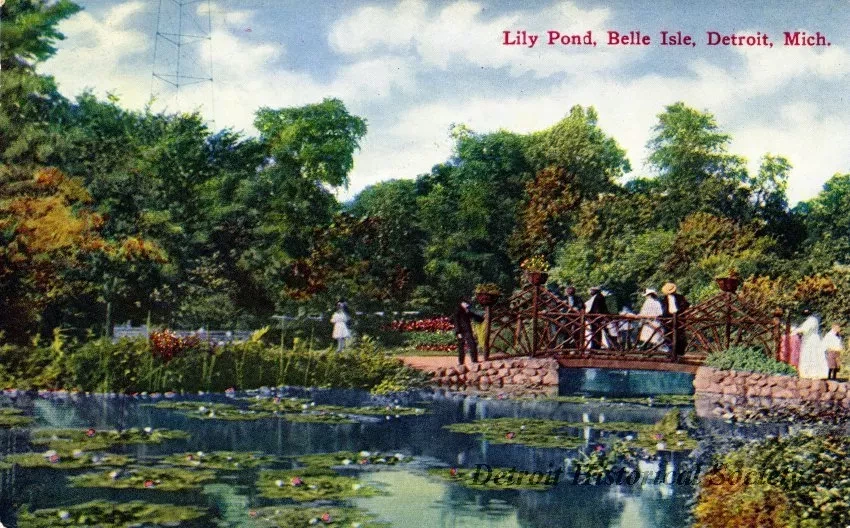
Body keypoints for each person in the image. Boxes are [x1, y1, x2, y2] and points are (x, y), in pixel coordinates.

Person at [660, 282, 690, 358]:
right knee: (669, 336)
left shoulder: (680, 297)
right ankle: (671, 353)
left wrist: (679, 311)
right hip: (668, 319)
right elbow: (662, 310)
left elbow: (686, 305)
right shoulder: (664, 299)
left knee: (680, 335)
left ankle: (679, 353)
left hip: (679, 318)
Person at [797, 309, 828, 379]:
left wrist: (796, 331)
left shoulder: (811, 320)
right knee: (814, 355)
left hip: (811, 340)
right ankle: (812, 373)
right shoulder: (813, 320)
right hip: (812, 338)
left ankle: (812, 373)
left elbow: (805, 329)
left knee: (812, 355)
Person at [454, 299, 484, 364]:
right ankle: (461, 362)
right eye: (466, 304)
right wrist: (458, 332)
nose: (467, 305)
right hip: (461, 331)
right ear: (462, 303)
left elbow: (474, 316)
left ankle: (474, 360)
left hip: (468, 330)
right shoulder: (458, 310)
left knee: (472, 344)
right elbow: (456, 322)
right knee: (461, 347)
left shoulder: (466, 311)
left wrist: (482, 318)